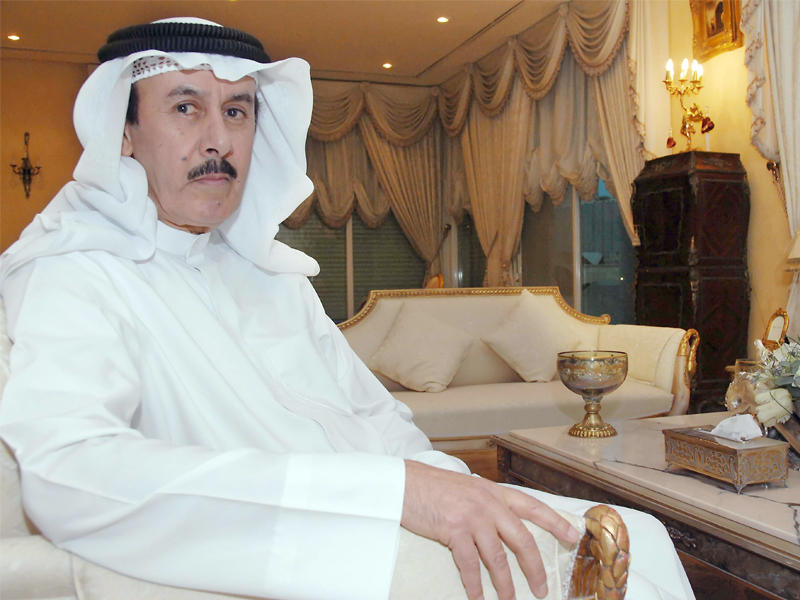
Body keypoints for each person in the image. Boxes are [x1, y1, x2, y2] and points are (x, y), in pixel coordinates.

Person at [0, 17, 694, 600]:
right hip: (291, 556)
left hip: (383, 518)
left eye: (236, 111)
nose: (218, 139)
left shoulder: (272, 278)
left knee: (647, 538)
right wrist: (392, 494)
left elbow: (377, 417)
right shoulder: (75, 274)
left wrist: (453, 490)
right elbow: (71, 476)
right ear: (123, 133)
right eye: (186, 107)